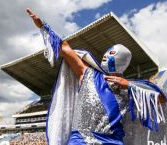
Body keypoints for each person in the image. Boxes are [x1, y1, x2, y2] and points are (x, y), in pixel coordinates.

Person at [26, 8, 167, 145]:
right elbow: (66, 48)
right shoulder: (88, 74)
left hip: (112, 142)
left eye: (111, 54)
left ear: (123, 60)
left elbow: (161, 99)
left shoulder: (130, 88)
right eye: (106, 53)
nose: (105, 56)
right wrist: (43, 26)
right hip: (80, 141)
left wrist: (129, 86)